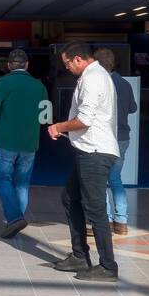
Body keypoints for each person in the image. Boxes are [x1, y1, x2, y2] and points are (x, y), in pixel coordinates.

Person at [47, 42, 120, 282]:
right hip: (89, 150)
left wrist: (59, 126)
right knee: (70, 198)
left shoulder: (94, 78)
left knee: (95, 208)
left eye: (67, 63)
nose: (67, 68)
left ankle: (108, 266)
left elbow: (85, 119)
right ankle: (80, 255)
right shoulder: (93, 76)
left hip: (95, 152)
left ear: (78, 59)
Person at [0, 49, 47, 239]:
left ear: (9, 65)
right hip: (30, 142)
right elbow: (45, 118)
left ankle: (14, 218)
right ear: (27, 65)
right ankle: (12, 219)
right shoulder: (39, 86)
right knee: (22, 183)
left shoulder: (0, 84)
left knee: (3, 179)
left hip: (6, 140)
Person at [95, 48, 137, 235]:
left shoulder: (98, 83)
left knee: (100, 179)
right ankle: (121, 221)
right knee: (115, 179)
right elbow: (132, 108)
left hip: (104, 138)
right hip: (122, 137)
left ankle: (104, 219)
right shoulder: (125, 84)